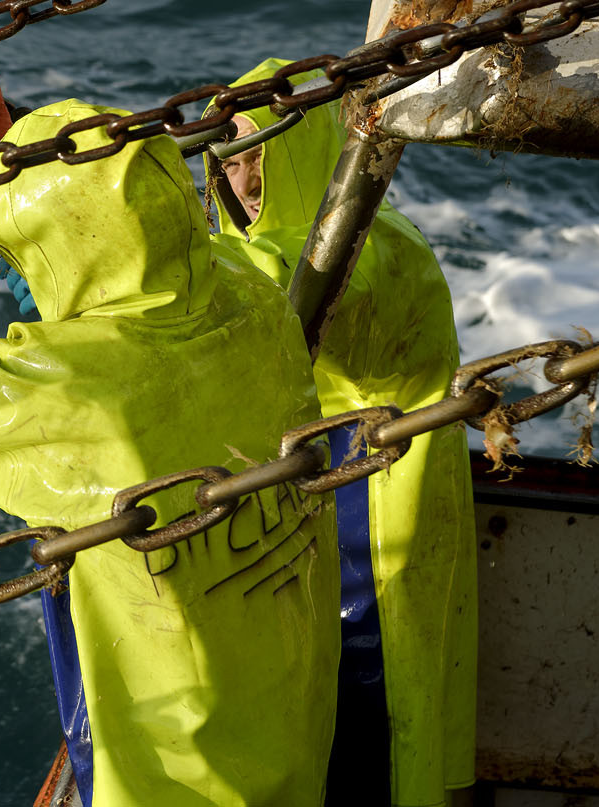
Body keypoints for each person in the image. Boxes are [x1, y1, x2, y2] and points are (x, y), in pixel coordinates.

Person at [0, 66, 341, 806]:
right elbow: (104, 278)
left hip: (169, 786)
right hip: (298, 739)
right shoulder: (256, 298)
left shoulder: (73, 389)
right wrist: (0, 162)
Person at [207, 58, 478, 807]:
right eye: (229, 152)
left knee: (385, 760)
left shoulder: (383, 250)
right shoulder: (230, 270)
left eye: (262, 147)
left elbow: (283, 290)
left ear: (307, 148)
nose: (243, 174)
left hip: (380, 560)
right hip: (298, 556)